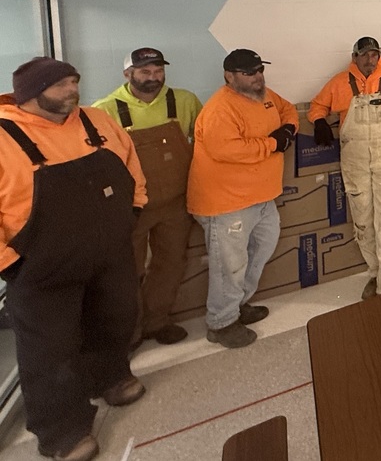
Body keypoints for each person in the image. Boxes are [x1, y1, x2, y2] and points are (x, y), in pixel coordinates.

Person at [0, 58, 148, 461]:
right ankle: (62, 432)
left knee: (115, 319)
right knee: (50, 352)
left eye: (74, 81)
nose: (72, 90)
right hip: (41, 268)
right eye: (62, 84)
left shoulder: (97, 120)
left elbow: (132, 166)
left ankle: (112, 379)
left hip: (109, 253)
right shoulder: (4, 136)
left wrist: (132, 210)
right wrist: (10, 264)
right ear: (32, 92)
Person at [93, 48, 203, 348]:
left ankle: (158, 322)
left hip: (176, 202)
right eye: (145, 72)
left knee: (170, 263)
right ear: (128, 74)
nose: (153, 78)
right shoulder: (105, 110)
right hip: (132, 209)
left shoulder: (184, 100)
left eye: (158, 71)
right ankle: (129, 332)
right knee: (128, 271)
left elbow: (204, 142)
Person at [188, 49, 298, 349]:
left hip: (261, 198)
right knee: (230, 265)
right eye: (249, 73)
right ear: (230, 76)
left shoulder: (264, 95)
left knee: (263, 247)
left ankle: (237, 305)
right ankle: (221, 323)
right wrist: (274, 143)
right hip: (226, 203)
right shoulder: (220, 109)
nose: (257, 77)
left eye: (260, 70)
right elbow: (228, 151)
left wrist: (288, 128)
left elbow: (288, 110)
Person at [309, 37, 381, 295]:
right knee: (363, 220)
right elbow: (316, 106)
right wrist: (319, 121)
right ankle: (376, 273)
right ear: (354, 56)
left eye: (374, 55)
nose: (370, 60)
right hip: (354, 163)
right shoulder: (339, 82)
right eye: (365, 55)